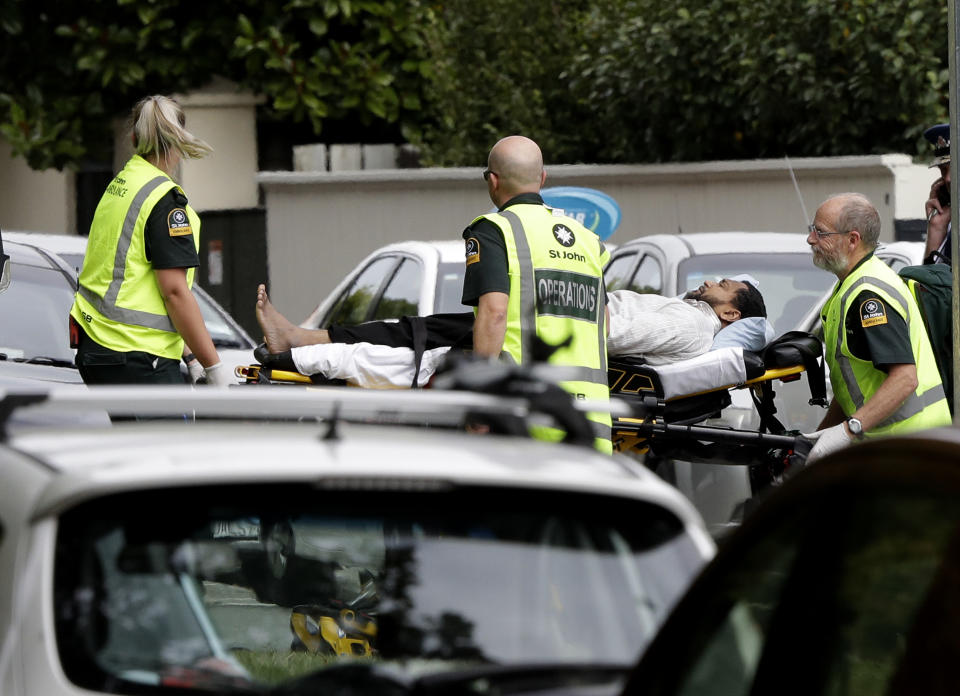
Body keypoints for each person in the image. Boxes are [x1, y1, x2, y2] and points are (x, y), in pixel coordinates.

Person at [252, 278, 768, 388]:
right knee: (420, 333)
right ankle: (303, 342)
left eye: (722, 286)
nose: (708, 283)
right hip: (551, 327)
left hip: (545, 332)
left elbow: (610, 327)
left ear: (730, 316)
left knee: (420, 337)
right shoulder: (690, 315)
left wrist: (547, 300)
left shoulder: (688, 320)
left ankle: (301, 345)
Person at [70, 95, 231, 386]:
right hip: (137, 356)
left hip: (97, 347)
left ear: (133, 137)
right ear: (179, 142)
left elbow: (137, 286)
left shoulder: (120, 186)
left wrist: (189, 354)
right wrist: (214, 367)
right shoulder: (165, 202)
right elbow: (173, 292)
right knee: (174, 434)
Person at [803, 193, 951, 463]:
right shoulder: (850, 285)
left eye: (820, 232)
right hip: (896, 446)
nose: (811, 239)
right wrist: (824, 435)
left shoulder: (869, 295)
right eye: (812, 230)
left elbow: (905, 378)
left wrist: (850, 429)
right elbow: (856, 386)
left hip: (914, 449)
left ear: (852, 240)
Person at [923, 123, 952, 266]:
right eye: (943, 170)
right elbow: (926, 287)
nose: (948, 178)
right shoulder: (949, 224)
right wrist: (936, 228)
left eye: (955, 167)